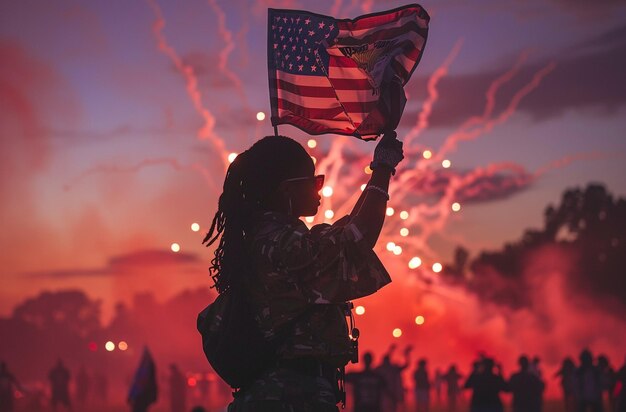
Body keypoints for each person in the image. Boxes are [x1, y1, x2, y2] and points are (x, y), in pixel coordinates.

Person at [202, 132, 403, 411]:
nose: (319, 189)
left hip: (279, 394)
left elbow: (346, 233)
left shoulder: (270, 239)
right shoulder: (285, 246)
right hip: (290, 397)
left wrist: (379, 173)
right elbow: (358, 235)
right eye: (313, 182)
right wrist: (382, 169)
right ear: (287, 191)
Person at [375, 344, 412, 412]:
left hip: (388, 394)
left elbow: (406, 365)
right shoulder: (391, 368)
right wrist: (406, 354)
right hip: (388, 393)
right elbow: (406, 365)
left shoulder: (381, 368)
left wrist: (406, 354)